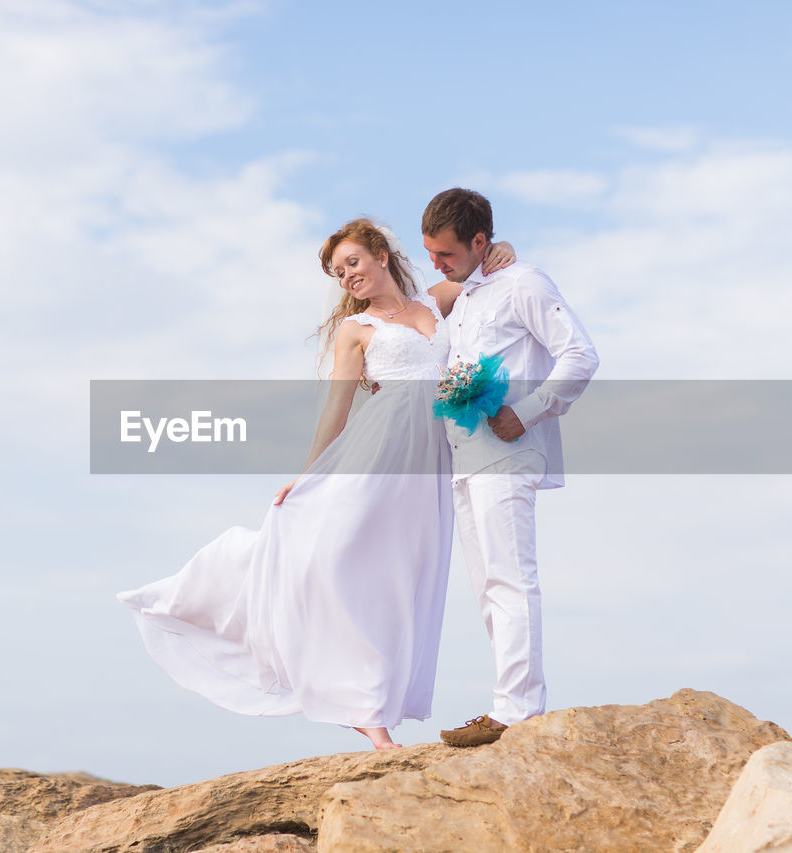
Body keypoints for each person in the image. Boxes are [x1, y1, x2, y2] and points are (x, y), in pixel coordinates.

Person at [118, 218, 513, 749]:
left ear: (379, 253)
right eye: (337, 271)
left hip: (429, 466)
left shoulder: (434, 304)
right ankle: (354, 704)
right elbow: (338, 408)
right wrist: (308, 474)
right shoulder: (357, 330)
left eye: (352, 262)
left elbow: (478, 273)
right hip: (375, 455)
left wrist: (502, 249)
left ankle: (370, 703)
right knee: (333, 557)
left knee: (397, 577)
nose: (346, 275)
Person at [421, 188, 599, 747]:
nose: (437, 265)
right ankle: (509, 703)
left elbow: (580, 355)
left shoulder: (525, 282)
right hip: (464, 457)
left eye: (446, 254)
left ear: (479, 241)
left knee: (511, 578)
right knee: (486, 587)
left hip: (508, 451)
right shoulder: (466, 294)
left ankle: (518, 711)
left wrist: (525, 413)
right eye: (431, 254)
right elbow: (415, 300)